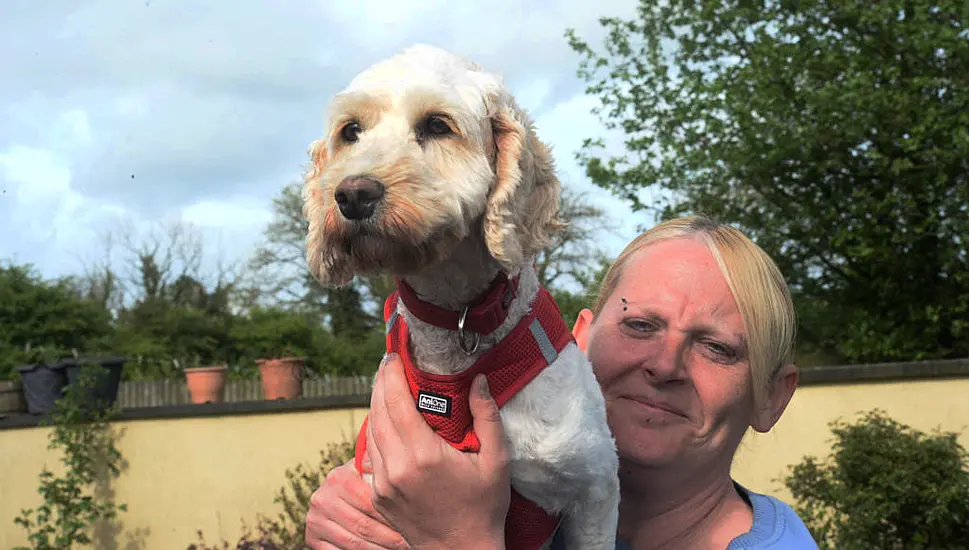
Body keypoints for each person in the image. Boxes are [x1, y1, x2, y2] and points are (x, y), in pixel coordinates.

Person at [305, 215, 819, 549]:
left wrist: (456, 539)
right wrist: (355, 518)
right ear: (576, 342)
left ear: (771, 398)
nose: (665, 366)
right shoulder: (506, 502)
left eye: (717, 348)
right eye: (639, 325)